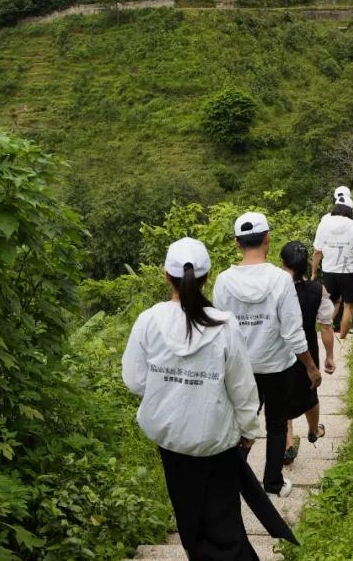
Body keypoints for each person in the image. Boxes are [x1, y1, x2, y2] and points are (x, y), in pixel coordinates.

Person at [122, 237, 262, 559]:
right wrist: (249, 430)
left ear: (165, 276)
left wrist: (171, 392)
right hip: (216, 441)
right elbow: (242, 388)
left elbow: (134, 379)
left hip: (172, 442)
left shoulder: (149, 321)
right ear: (207, 277)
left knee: (190, 517)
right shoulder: (225, 326)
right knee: (224, 521)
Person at [213, 212, 323, 497]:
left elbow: (219, 330)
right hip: (276, 366)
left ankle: (231, 480)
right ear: (267, 240)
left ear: (238, 243)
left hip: (240, 368)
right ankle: (273, 482)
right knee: (276, 424)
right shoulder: (280, 280)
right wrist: (311, 367)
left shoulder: (224, 281)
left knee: (239, 424)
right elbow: (292, 331)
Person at [278, 241, 336, 466]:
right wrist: (330, 356)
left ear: (282, 262)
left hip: (280, 349)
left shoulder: (276, 288)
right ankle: (313, 431)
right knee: (310, 392)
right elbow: (326, 325)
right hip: (307, 349)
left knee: (281, 396)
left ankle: (287, 445)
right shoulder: (317, 289)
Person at [311, 186, 353, 346]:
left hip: (329, 270)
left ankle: (326, 334)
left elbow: (317, 251)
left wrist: (314, 272)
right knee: (349, 306)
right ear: (350, 210)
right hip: (349, 271)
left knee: (332, 304)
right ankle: (342, 339)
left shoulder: (325, 222)